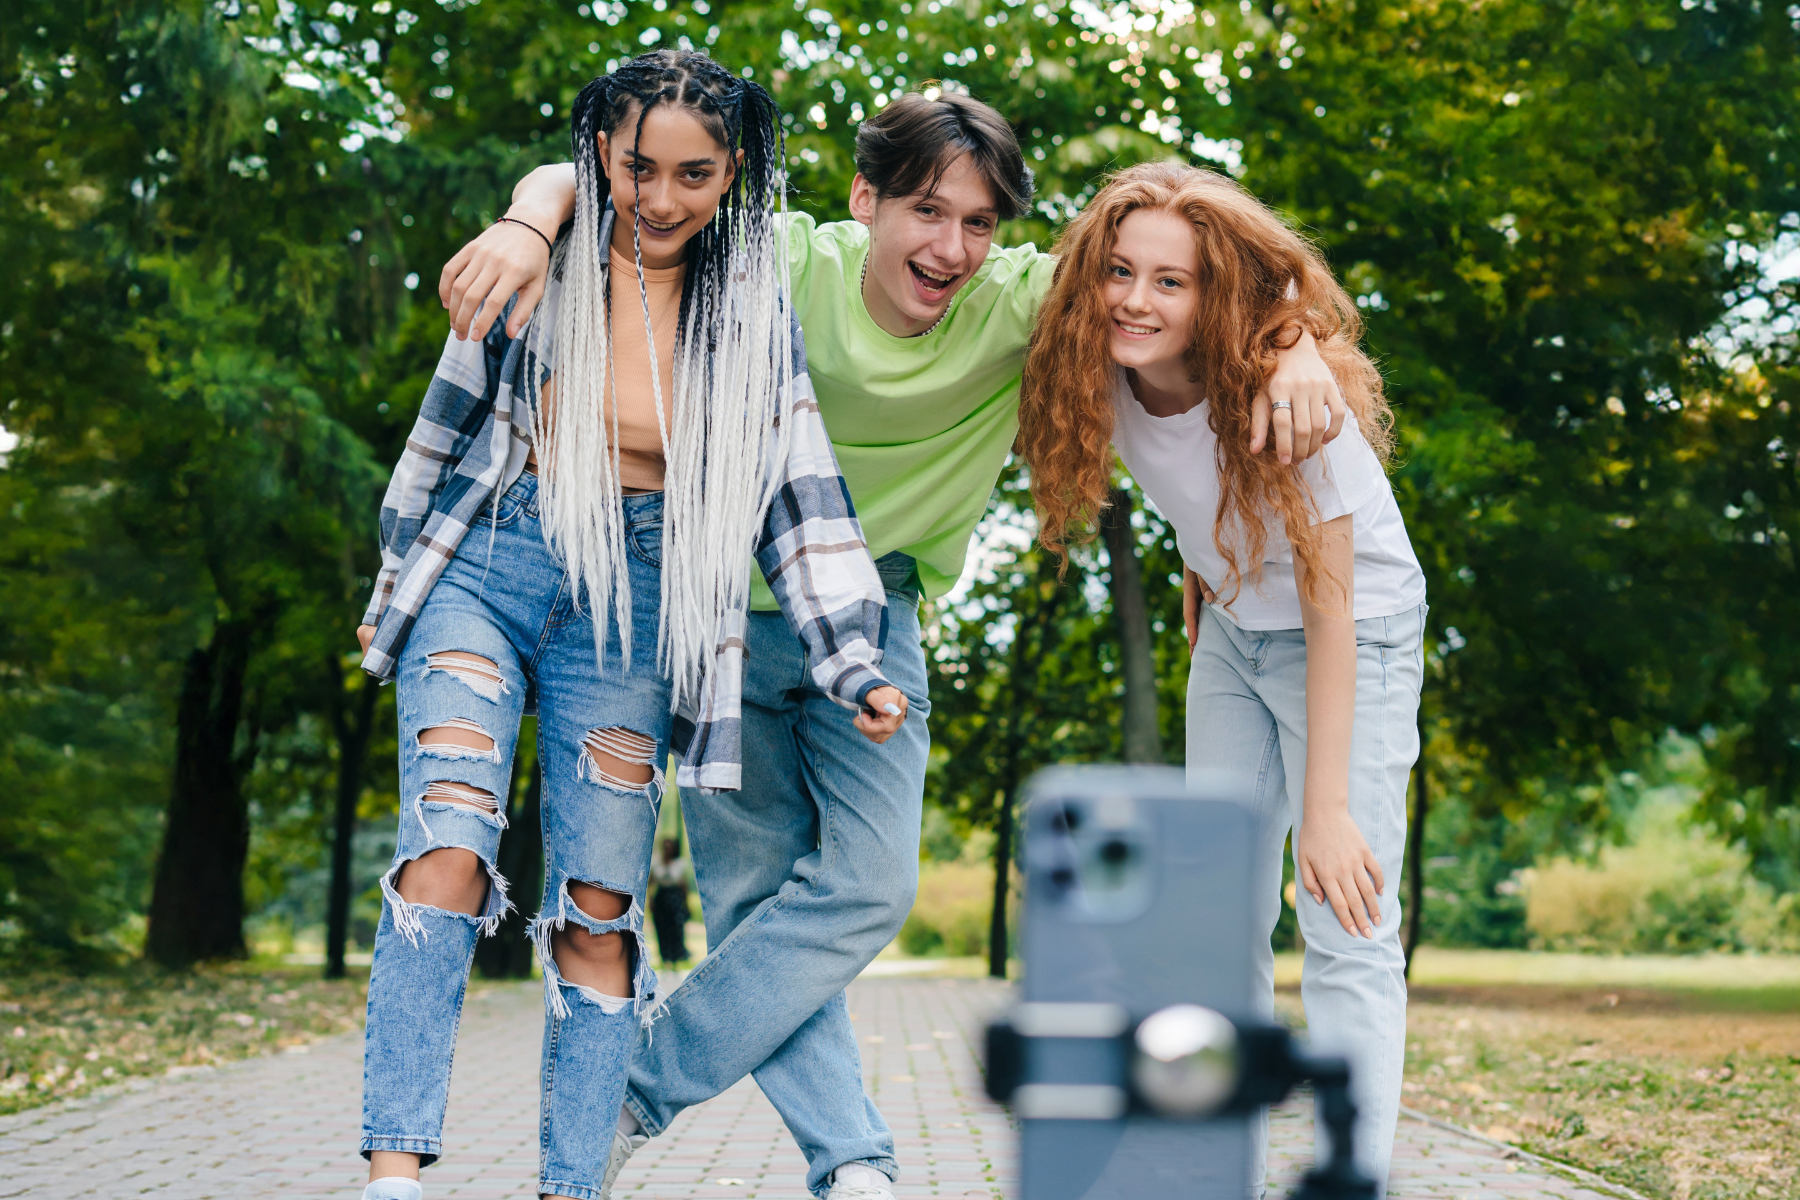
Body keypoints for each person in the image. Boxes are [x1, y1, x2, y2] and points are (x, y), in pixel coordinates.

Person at [437, 89, 1343, 1200]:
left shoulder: (1024, 300)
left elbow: (1212, 253)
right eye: (925, 210)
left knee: (867, 887)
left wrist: (1295, 341)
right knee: (760, 909)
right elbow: (613, 182)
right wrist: (529, 220)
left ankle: (626, 1088)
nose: (950, 247)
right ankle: (853, 1164)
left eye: (978, 222)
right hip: (719, 612)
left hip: (878, 618)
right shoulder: (781, 261)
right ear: (865, 198)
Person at [352, 50, 906, 1200]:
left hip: (637, 603)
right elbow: (440, 433)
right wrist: (400, 588)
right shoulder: (539, 256)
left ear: (733, 171)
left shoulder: (750, 311)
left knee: (598, 907)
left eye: (693, 176)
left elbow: (798, 493)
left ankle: (572, 1185)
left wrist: (852, 660)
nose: (659, 199)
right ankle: (394, 1173)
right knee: (450, 842)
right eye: (636, 166)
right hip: (493, 562)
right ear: (600, 150)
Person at [1016, 160, 1427, 1196]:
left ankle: (1350, 1177)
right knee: (1207, 920)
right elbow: (1194, 489)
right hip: (1237, 634)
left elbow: (1333, 605)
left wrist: (1326, 807)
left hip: (1355, 641)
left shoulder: (1292, 401)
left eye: (1171, 281)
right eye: (1119, 271)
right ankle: (1214, 1169)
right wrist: (1212, 568)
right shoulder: (1101, 366)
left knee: (1346, 919)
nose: (1135, 300)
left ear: (1215, 297)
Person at [649, 836, 691, 966]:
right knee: (662, 927)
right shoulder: (656, 864)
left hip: (675, 898)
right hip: (661, 897)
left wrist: (686, 903)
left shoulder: (679, 864)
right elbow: (651, 883)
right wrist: (650, 900)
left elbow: (684, 885)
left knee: (676, 927)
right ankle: (665, 958)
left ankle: (677, 958)